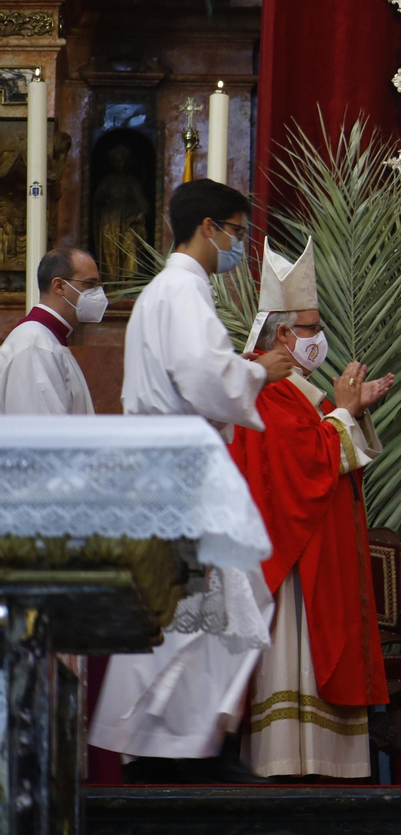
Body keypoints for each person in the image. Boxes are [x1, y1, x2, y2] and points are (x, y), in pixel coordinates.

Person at [91, 179, 295, 777]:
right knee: (195, 610)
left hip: (171, 465)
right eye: (236, 232)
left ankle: (185, 744)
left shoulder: (172, 291)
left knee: (221, 600)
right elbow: (203, 375)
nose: (238, 245)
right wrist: (262, 372)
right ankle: (172, 753)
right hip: (177, 470)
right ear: (209, 227)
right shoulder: (182, 289)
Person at [232, 238, 394, 778]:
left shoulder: (296, 385)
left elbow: (328, 445)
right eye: (310, 328)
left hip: (320, 549)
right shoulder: (261, 385)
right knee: (295, 661)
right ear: (281, 333)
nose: (318, 338)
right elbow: (299, 466)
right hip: (295, 558)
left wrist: (355, 408)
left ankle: (320, 763)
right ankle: (292, 761)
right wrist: (342, 411)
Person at [0, 246, 102, 414]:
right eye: (89, 284)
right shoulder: (35, 343)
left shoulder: (47, 338)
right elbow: (40, 432)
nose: (97, 293)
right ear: (59, 286)